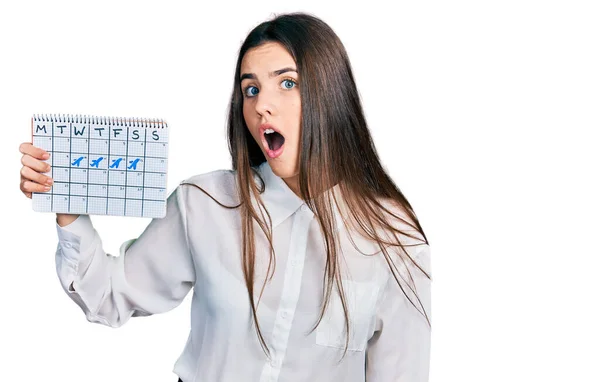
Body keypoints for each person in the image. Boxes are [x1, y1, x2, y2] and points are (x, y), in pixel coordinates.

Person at [18, 12, 432, 382]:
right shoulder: (205, 204)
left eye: (287, 83)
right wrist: (69, 208)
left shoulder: (394, 238)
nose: (262, 106)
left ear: (330, 94)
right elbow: (109, 296)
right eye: (250, 90)